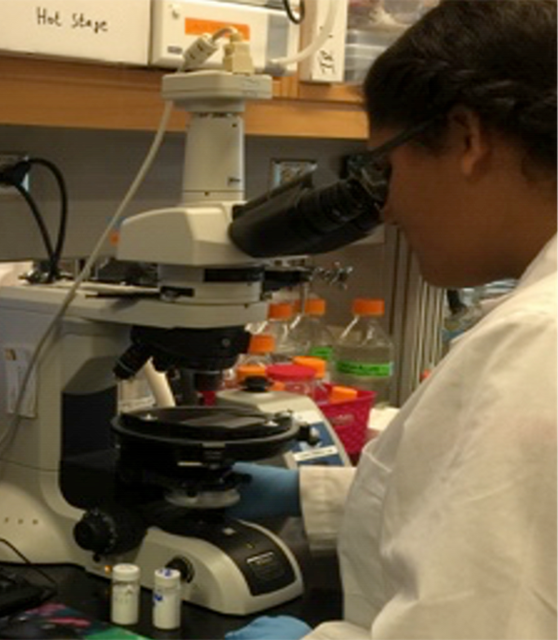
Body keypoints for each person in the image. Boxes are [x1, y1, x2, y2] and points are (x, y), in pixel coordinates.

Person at [226, 0, 558, 638]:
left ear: (467, 138)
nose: (390, 206)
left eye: (385, 167)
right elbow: (495, 521)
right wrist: (315, 496)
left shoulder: (539, 342)